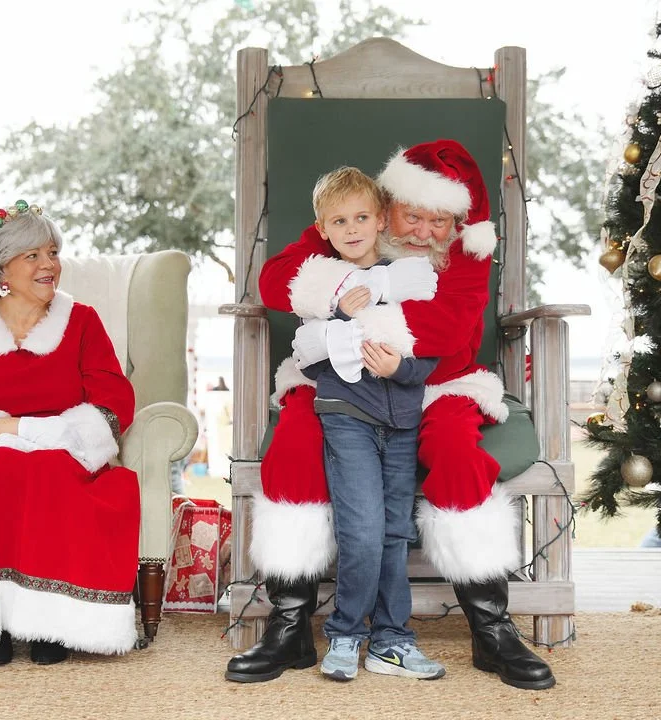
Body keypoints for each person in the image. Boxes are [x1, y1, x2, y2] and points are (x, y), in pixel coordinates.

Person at [226, 140, 556, 690]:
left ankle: (491, 628)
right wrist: (346, 293)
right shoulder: (354, 225)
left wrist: (344, 329)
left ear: (459, 221)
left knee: (455, 452)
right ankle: (289, 624)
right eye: (414, 215)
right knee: (294, 443)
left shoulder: (468, 253)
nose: (426, 231)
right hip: (338, 380)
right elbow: (274, 280)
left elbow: (448, 329)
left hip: (437, 381)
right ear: (388, 207)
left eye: (441, 220)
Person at [0, 200, 140, 667]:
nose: (49, 265)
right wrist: (11, 430)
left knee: (49, 471)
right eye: (33, 256)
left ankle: (48, 625)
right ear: (2, 268)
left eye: (52, 253)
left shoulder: (82, 322)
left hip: (64, 448)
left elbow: (114, 398)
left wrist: (50, 432)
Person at [290, 167, 443, 681]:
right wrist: (338, 316)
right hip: (348, 415)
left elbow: (431, 348)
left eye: (361, 216)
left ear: (380, 220)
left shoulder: (411, 279)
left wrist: (400, 368)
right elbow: (308, 358)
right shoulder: (322, 285)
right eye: (340, 221)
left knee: (395, 532)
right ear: (324, 228)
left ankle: (391, 640)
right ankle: (346, 632)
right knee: (362, 530)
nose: (352, 228)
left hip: (402, 421)